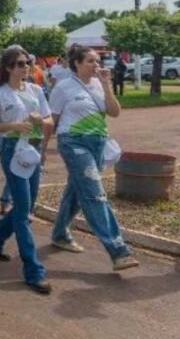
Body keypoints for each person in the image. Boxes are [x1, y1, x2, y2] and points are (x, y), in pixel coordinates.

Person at [45, 44, 140, 271]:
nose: (96, 65)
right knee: (95, 194)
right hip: (74, 143)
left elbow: (114, 112)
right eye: (90, 61)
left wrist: (107, 85)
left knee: (78, 191)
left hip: (97, 143)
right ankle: (118, 250)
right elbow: (52, 119)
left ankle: (59, 234)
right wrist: (42, 150)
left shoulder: (99, 84)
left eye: (97, 61)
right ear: (76, 63)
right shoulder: (63, 87)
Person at [0, 46, 54, 295]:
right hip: (12, 149)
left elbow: (49, 121)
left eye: (28, 63)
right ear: (9, 67)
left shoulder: (35, 90)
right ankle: (34, 270)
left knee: (27, 204)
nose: (26, 67)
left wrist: (39, 123)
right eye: (21, 63)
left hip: (32, 148)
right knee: (23, 212)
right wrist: (14, 124)